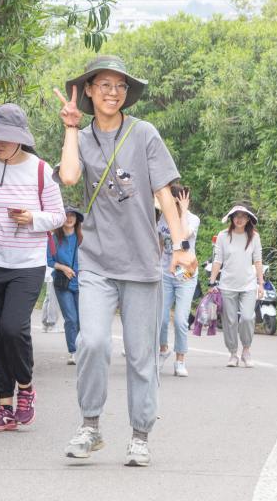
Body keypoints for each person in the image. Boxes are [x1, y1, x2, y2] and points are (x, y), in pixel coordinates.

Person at [52, 55, 195, 467]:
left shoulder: (144, 133)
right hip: (96, 259)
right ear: (91, 91)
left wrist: (181, 245)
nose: (112, 92)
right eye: (104, 85)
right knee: (92, 342)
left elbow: (165, 194)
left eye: (120, 86)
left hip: (142, 261)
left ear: (126, 94)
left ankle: (139, 434)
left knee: (140, 354)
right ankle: (90, 426)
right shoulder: (81, 135)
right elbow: (70, 178)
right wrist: (70, 127)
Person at [0, 103, 66, 432]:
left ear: (20, 139)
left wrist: (32, 218)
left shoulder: (41, 171)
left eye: (4, 138)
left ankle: (26, 388)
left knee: (12, 328)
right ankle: (4, 406)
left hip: (27, 265)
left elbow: (59, 217)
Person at [208, 204, 264, 368]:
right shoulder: (223, 236)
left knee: (247, 317)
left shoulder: (254, 237)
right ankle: (233, 353)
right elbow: (218, 260)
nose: (239, 219)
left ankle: (246, 350)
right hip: (227, 285)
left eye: (243, 216)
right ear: (232, 218)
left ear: (248, 219)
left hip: (248, 285)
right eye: (236, 216)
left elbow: (258, 261)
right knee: (230, 320)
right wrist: (212, 282)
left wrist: (261, 284)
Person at [158, 185, 201, 377]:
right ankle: (163, 349)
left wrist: (183, 211)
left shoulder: (193, 219)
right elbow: (161, 242)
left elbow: (182, 235)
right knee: (161, 317)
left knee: (181, 320)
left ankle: (180, 360)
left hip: (186, 273)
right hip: (166, 272)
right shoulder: (163, 217)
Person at [47, 206, 84, 365]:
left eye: (72, 216)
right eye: (66, 215)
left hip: (83, 283)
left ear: (76, 220)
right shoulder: (54, 239)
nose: (69, 218)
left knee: (83, 319)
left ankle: (83, 349)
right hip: (63, 283)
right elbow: (49, 260)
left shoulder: (83, 238)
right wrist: (64, 268)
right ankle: (73, 351)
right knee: (71, 318)